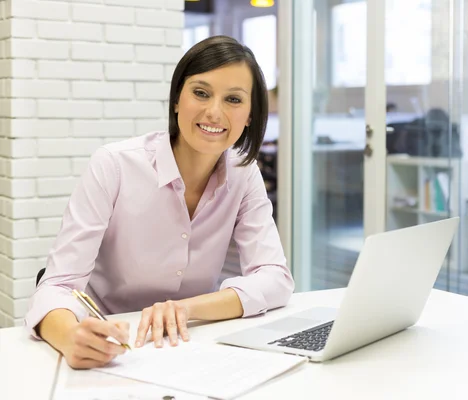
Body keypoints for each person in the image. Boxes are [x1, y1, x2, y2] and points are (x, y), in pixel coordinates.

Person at [24, 35, 295, 369]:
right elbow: (58, 284)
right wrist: (69, 337)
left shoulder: (244, 174)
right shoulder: (114, 164)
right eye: (201, 92)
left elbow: (274, 278)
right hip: (111, 345)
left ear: (250, 115)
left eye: (234, 99)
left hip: (190, 342)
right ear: (177, 99)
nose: (214, 112)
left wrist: (188, 308)